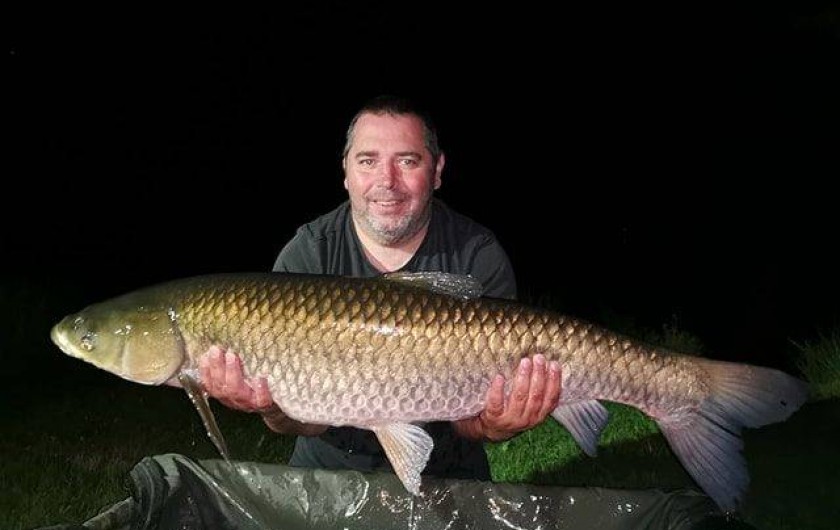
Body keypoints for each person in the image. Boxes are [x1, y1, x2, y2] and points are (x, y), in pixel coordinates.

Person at [198, 95, 562, 481]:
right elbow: (296, 423)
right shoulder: (308, 254)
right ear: (346, 171)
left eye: (407, 161)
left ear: (437, 170)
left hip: (449, 469)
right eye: (368, 161)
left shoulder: (477, 254)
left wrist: (497, 423)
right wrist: (269, 408)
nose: (386, 181)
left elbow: (470, 423)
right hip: (329, 472)